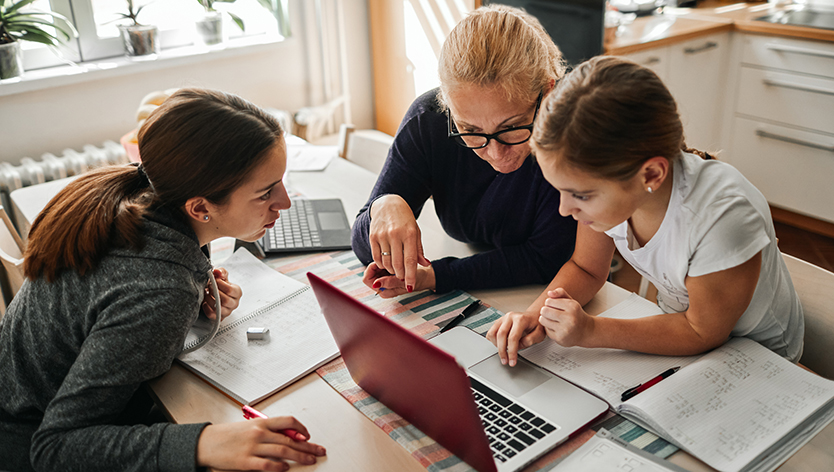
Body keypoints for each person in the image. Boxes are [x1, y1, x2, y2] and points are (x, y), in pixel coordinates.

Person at [0, 89, 327, 472]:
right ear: (201, 208)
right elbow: (55, 448)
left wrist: (193, 288)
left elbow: (113, 299)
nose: (285, 202)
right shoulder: (159, 288)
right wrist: (203, 442)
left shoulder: (140, 196)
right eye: (265, 192)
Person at [488, 56, 804, 365]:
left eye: (579, 195)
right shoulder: (617, 192)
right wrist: (535, 317)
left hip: (759, 359)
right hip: (679, 328)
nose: (563, 209)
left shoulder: (722, 216)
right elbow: (586, 268)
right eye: (559, 190)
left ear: (651, 175)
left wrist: (592, 330)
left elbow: (701, 331)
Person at [352, 5, 579, 297]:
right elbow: (362, 247)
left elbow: (545, 258)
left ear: (547, 92)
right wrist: (383, 205)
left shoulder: (570, 131)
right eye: (470, 131)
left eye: (512, 127)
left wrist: (437, 275)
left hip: (550, 292)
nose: (496, 153)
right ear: (446, 104)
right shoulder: (429, 121)